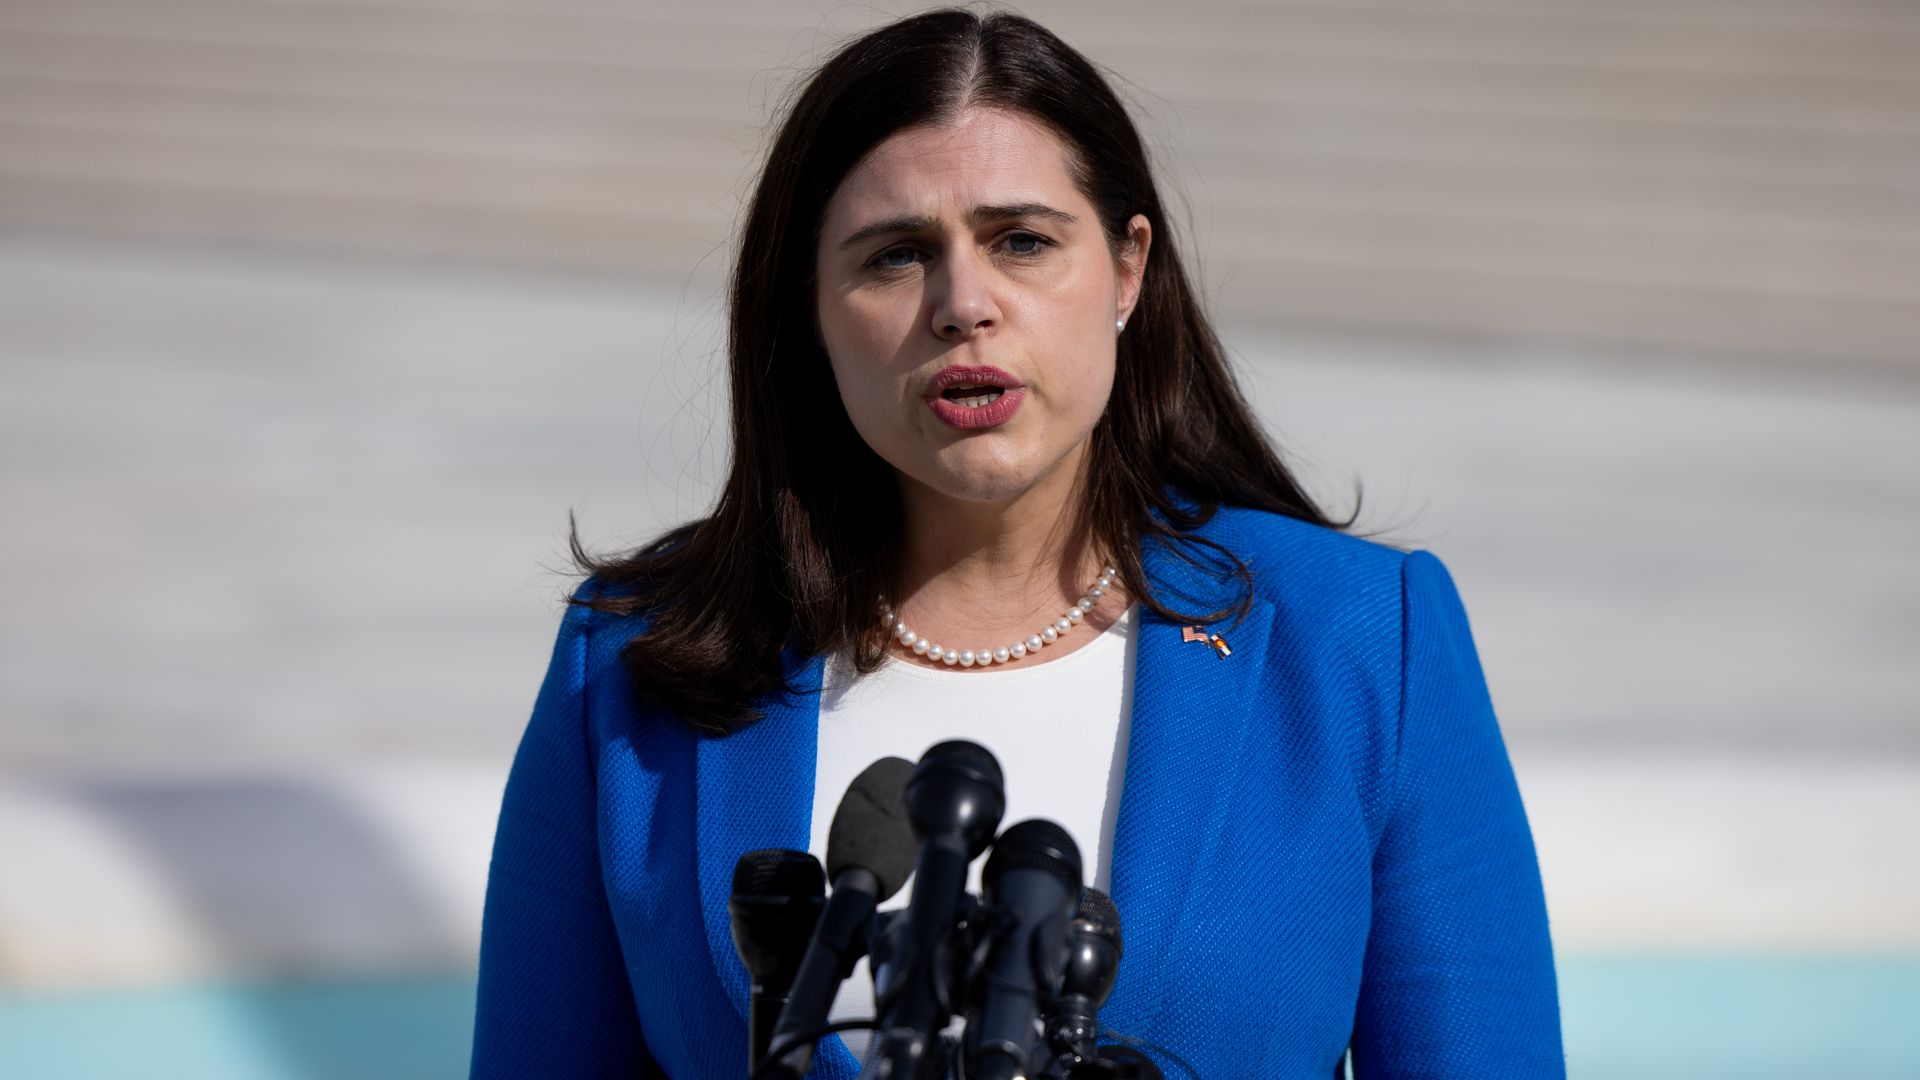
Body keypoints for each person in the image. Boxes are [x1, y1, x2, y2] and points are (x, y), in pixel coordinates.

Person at [469, 8, 1563, 1078]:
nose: (963, 304)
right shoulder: (629, 663)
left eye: (1023, 242)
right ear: (809, 304)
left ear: (1128, 269)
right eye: (895, 257)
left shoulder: (1367, 643)